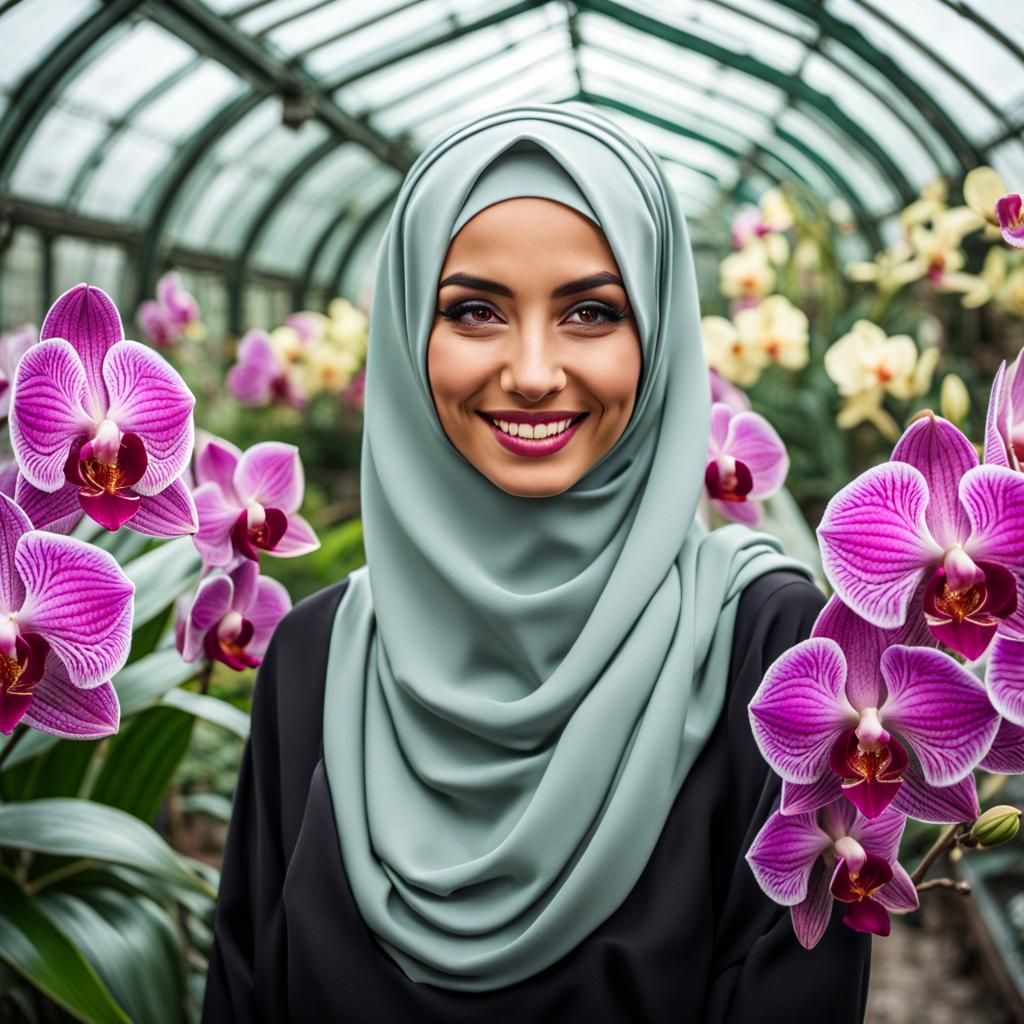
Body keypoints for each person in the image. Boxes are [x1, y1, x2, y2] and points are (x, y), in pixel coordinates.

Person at [201, 102, 870, 1023]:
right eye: (474, 310)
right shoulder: (315, 662)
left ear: (663, 336)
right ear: (406, 333)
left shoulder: (771, 649)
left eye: (591, 312)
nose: (531, 370)